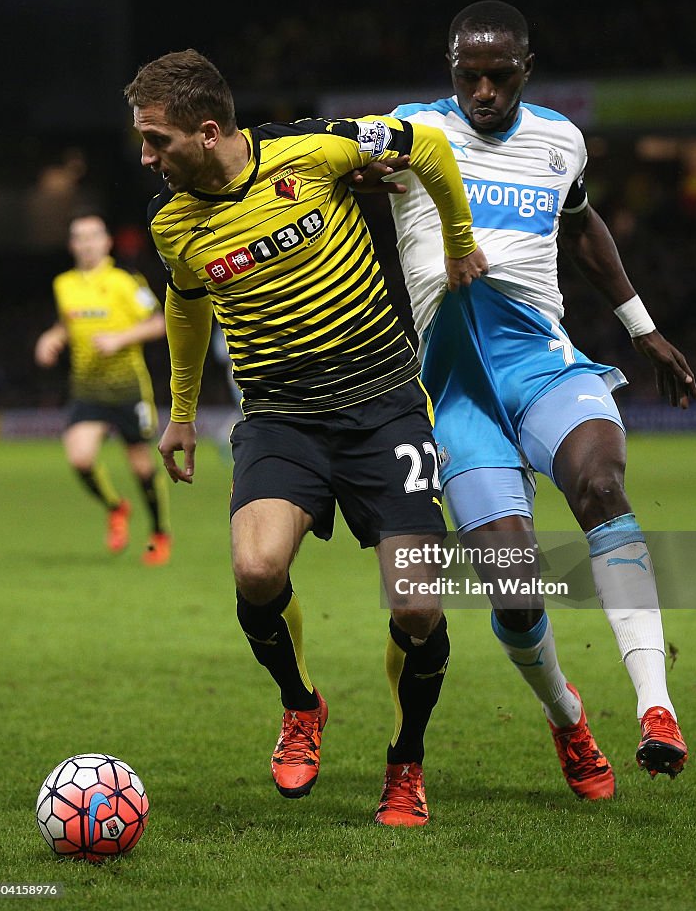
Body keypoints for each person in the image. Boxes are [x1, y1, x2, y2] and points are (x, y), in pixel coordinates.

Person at [123, 48, 487, 826]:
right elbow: (186, 307)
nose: (146, 156)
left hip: (383, 403)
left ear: (209, 129)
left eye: (156, 140)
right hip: (280, 416)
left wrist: (457, 239)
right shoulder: (172, 224)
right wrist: (182, 412)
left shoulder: (311, 151)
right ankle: (301, 705)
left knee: (418, 609)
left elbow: (422, 143)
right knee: (256, 569)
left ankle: (405, 760)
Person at [350, 0, 696, 796]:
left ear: (525, 70)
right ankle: (567, 718)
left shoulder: (559, 140)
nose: (482, 90)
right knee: (514, 584)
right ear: (449, 69)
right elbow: (333, 157)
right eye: (467, 75)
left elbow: (580, 229)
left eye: (498, 76)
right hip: (455, 393)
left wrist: (640, 328)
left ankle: (655, 707)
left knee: (600, 484)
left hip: (542, 365)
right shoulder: (409, 130)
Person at [34, 213, 172, 566]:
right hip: (87, 388)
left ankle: (159, 533)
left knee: (142, 467)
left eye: (94, 236)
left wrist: (120, 338)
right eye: (79, 237)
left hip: (128, 387)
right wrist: (53, 336)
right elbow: (69, 322)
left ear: (106, 242)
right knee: (79, 458)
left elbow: (160, 322)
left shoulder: (126, 280)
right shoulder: (64, 284)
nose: (87, 243)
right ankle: (116, 506)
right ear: (71, 245)